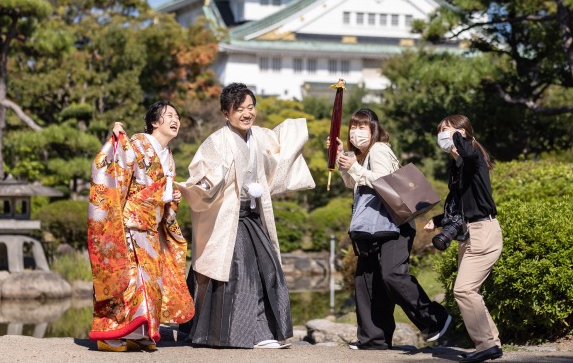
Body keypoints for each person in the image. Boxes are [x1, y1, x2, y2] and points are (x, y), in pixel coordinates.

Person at [177, 83, 315, 349]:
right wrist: (220, 182)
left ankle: (263, 332)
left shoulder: (261, 137)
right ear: (225, 113)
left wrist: (312, 137)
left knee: (269, 267)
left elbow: (282, 151)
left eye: (250, 107)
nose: (247, 113)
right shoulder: (217, 141)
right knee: (242, 270)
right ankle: (253, 334)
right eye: (239, 109)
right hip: (226, 217)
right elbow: (205, 176)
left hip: (252, 214)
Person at [335, 108, 451, 350]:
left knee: (392, 276)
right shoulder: (363, 155)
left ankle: (435, 319)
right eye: (353, 127)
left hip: (393, 226)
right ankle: (373, 339)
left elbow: (383, 181)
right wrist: (343, 161)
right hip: (371, 228)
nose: (356, 132)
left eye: (362, 127)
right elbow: (353, 183)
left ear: (373, 129)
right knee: (367, 282)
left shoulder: (378, 149)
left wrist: (354, 167)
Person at [88, 101, 194, 352]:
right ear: (155, 122)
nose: (175, 120)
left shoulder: (168, 156)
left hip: (152, 226)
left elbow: (163, 192)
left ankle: (140, 331)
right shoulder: (137, 144)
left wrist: (172, 200)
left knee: (151, 281)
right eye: (169, 115)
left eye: (177, 116)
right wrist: (116, 139)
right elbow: (116, 167)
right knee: (130, 280)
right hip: (130, 222)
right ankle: (111, 334)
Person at [424, 114, 503, 362]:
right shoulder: (459, 167)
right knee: (470, 291)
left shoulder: (474, 158)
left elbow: (468, 154)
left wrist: (458, 135)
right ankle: (491, 343)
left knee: (464, 290)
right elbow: (460, 205)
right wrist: (438, 220)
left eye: (447, 131)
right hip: (470, 233)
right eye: (441, 131)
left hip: (483, 232)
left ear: (463, 134)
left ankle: (486, 345)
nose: (443, 136)